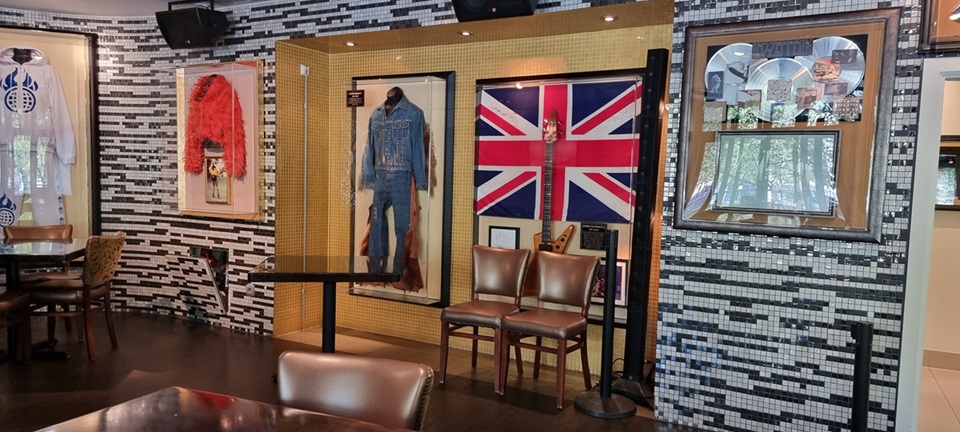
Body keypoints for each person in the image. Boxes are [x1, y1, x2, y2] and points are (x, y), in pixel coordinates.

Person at [359, 87, 427, 275]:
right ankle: (376, 271)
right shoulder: (376, 114)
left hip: (402, 175)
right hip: (380, 175)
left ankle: (399, 272)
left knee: (402, 226)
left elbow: (418, 149)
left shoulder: (413, 113)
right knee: (376, 222)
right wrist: (368, 176)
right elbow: (369, 148)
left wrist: (420, 180)